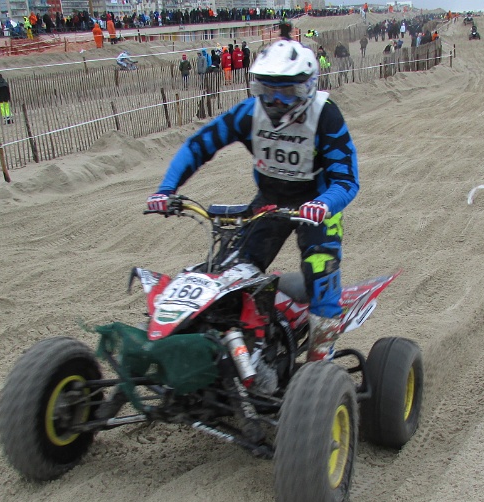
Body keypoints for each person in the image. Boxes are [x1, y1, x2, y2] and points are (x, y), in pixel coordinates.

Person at [146, 23, 359, 363]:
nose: (275, 100)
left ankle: (321, 363)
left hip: (317, 203)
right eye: (267, 88)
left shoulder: (325, 116)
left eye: (287, 91)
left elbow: (347, 180)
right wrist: (166, 189)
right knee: (233, 273)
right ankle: (242, 350)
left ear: (307, 87)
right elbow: (199, 145)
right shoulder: (250, 113)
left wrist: (323, 203)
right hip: (270, 202)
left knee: (322, 275)